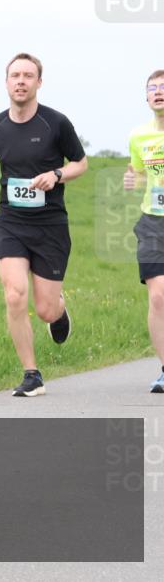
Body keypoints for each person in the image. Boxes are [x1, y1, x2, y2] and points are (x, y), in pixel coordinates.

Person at [0, 53, 88, 397]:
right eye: (15, 75)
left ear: (39, 83)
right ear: (6, 83)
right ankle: (31, 374)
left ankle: (59, 310)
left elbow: (81, 163)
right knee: (15, 294)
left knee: (45, 309)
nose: (21, 81)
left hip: (50, 225)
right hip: (11, 222)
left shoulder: (56, 123)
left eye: (28, 76)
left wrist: (57, 174)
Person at [122, 69, 164, 393]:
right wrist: (130, 179)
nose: (158, 92)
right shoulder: (139, 136)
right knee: (159, 296)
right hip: (152, 221)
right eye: (152, 88)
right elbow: (136, 173)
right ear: (146, 97)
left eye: (163, 87)